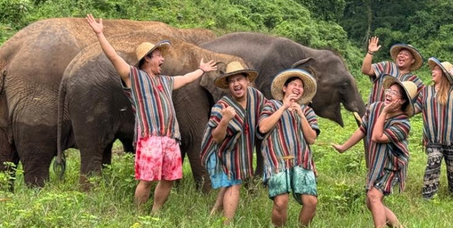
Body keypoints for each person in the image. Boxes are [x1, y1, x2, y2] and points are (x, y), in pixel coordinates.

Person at [85, 14, 217, 213]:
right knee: (146, 181)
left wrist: (201, 70)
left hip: (171, 138)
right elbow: (113, 57)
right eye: (158, 56)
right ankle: (139, 214)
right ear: (147, 58)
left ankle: (155, 212)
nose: (163, 59)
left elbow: (186, 78)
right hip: (150, 138)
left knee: (169, 179)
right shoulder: (134, 78)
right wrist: (100, 34)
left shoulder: (166, 81)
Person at [333, 76, 418, 228]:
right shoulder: (374, 108)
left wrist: (384, 112)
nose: (389, 94)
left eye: (394, 92)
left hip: (392, 164)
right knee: (371, 202)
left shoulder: (403, 124)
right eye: (389, 90)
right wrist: (343, 147)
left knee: (373, 196)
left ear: (402, 101)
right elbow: (363, 129)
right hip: (376, 161)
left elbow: (376, 137)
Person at [201, 61, 265, 224]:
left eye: (239, 79)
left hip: (240, 149)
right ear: (228, 85)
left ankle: (213, 214)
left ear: (247, 80)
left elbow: (266, 111)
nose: (236, 84)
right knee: (234, 183)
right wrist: (224, 121)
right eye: (232, 81)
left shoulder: (256, 96)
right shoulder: (222, 107)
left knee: (231, 180)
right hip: (220, 150)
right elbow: (216, 138)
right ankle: (227, 223)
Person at [258, 69, 320, 227]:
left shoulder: (307, 111)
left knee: (311, 202)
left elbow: (311, 138)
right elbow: (263, 128)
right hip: (277, 161)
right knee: (280, 202)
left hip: (302, 161)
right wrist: (283, 107)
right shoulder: (271, 105)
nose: (298, 88)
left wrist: (301, 114)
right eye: (294, 84)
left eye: (301, 86)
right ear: (284, 88)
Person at [418, 58, 453, 200]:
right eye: (433, 69)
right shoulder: (426, 91)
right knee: (433, 164)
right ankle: (428, 197)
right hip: (433, 139)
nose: (433, 71)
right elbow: (414, 109)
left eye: (437, 69)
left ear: (444, 74)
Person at [361, 37, 424, 106]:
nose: (402, 56)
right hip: (373, 112)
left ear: (412, 60)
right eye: (400, 54)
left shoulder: (414, 81)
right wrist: (370, 52)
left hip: (395, 116)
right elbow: (365, 70)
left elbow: (423, 100)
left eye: (406, 55)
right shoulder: (386, 66)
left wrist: (408, 112)